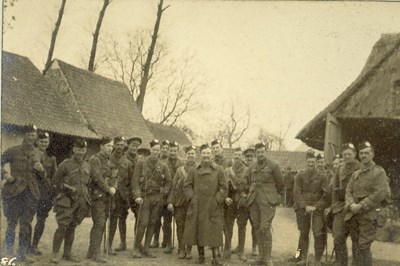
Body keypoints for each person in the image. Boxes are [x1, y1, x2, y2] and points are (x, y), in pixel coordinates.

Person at [51, 138, 109, 263]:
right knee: (62, 226)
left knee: (72, 227)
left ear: (85, 150)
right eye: (78, 149)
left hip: (81, 202)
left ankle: (67, 253)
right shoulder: (65, 165)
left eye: (83, 150)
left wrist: (109, 189)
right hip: (66, 201)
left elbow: (97, 180)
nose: (80, 152)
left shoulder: (88, 165)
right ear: (73, 149)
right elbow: (55, 183)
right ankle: (55, 254)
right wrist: (67, 189)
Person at [1, 125, 42, 263]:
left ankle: (22, 254)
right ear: (24, 135)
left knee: (26, 224)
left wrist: (41, 170)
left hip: (31, 193)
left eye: (33, 135)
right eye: (29, 135)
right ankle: (8, 252)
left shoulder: (37, 153)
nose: (31, 137)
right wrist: (5, 175)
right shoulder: (13, 151)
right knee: (12, 222)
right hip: (14, 192)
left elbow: (42, 175)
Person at [345, 141, 389, 266]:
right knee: (355, 243)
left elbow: (380, 192)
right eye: (361, 153)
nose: (363, 156)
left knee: (364, 245)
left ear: (372, 155)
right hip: (354, 214)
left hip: (368, 215)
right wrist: (351, 204)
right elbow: (348, 190)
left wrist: (361, 205)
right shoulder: (356, 174)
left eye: (366, 153)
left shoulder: (379, 172)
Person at [182, 144, 227, 266]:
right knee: (198, 229)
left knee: (215, 229)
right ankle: (201, 255)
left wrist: (217, 199)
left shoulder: (219, 169)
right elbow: (187, 186)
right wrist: (192, 198)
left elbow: (224, 187)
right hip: (198, 204)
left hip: (212, 204)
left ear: (212, 154)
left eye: (208, 153)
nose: (206, 156)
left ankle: (215, 257)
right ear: (200, 155)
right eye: (204, 153)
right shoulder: (193, 169)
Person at [244, 142, 284, 266]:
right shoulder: (252, 167)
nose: (260, 154)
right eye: (258, 153)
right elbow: (247, 181)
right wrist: (248, 193)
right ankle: (261, 257)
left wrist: (275, 198)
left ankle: (267, 258)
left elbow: (280, 184)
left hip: (268, 201)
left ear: (265, 152)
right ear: (255, 154)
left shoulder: (273, 166)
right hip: (254, 201)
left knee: (265, 227)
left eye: (262, 152)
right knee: (256, 227)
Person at [131, 139, 172, 258]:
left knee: (153, 222)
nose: (156, 152)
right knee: (143, 222)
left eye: (158, 150)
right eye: (154, 150)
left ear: (160, 152)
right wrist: (137, 195)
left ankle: (147, 248)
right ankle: (136, 248)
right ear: (150, 150)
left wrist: (163, 192)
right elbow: (135, 180)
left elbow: (169, 182)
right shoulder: (141, 162)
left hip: (157, 197)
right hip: (144, 196)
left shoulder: (163, 165)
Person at [325, 143, 360, 266]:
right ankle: (341, 262)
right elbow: (334, 190)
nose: (347, 157)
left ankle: (357, 263)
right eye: (345, 154)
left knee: (357, 239)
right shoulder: (339, 169)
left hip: (356, 207)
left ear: (355, 154)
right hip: (341, 207)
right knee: (338, 236)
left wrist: (354, 204)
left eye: (349, 154)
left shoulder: (360, 167)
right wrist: (334, 207)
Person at [293, 151, 329, 266]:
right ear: (306, 162)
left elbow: (325, 194)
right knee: (303, 233)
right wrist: (305, 206)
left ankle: (317, 259)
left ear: (316, 163)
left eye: (313, 162)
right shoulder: (300, 175)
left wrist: (316, 206)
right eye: (309, 162)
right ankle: (302, 257)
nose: (311, 164)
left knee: (317, 233)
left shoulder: (323, 176)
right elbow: (296, 192)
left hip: (317, 210)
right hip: (302, 209)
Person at [87, 137, 117, 263]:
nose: (110, 148)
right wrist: (108, 189)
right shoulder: (95, 160)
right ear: (101, 146)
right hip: (97, 196)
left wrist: (114, 187)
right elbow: (96, 177)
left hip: (107, 197)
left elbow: (115, 176)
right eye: (108, 146)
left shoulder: (111, 161)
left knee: (102, 223)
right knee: (99, 223)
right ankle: (96, 253)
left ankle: (91, 251)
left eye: (111, 146)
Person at [167, 145, 197, 259]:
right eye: (188, 153)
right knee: (180, 225)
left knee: (190, 226)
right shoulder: (180, 170)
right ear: (185, 155)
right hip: (179, 202)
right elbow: (173, 186)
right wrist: (170, 201)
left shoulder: (198, 169)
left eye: (192, 154)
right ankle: (181, 248)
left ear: (195, 155)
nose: (190, 156)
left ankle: (189, 250)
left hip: (192, 202)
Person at [31, 132, 58, 256]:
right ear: (37, 141)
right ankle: (25, 246)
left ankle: (34, 246)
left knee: (41, 220)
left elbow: (55, 176)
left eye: (46, 142)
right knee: (27, 220)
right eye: (41, 141)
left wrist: (52, 193)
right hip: (31, 191)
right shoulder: (31, 153)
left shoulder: (51, 158)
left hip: (45, 193)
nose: (44, 144)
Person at [223, 147, 249, 261]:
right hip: (231, 201)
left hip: (242, 202)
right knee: (228, 225)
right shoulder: (228, 171)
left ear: (242, 157)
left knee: (242, 226)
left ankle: (241, 250)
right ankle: (227, 248)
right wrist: (226, 197)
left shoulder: (247, 170)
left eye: (239, 155)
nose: (237, 157)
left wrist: (245, 194)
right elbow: (223, 186)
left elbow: (250, 186)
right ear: (233, 156)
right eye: (235, 155)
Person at [108, 137, 133, 253]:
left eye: (122, 145)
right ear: (113, 145)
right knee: (111, 220)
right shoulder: (108, 159)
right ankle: (108, 245)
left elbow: (130, 180)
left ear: (124, 147)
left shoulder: (127, 162)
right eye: (117, 145)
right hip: (110, 194)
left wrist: (127, 196)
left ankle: (123, 243)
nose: (119, 147)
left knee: (122, 219)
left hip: (122, 196)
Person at [161, 141, 185, 254]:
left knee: (180, 220)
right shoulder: (163, 163)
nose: (172, 153)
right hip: (167, 195)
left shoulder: (182, 163)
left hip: (180, 195)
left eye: (175, 151)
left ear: (177, 151)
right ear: (168, 151)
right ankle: (168, 243)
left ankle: (182, 244)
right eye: (171, 150)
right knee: (167, 220)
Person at [150, 139, 170, 248]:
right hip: (157, 194)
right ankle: (156, 239)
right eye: (164, 149)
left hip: (167, 195)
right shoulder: (156, 162)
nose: (165, 151)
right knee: (156, 218)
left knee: (167, 219)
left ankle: (166, 241)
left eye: (167, 149)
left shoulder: (174, 162)